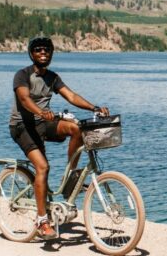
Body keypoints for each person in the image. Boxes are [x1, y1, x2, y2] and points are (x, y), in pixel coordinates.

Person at [9, 35, 110, 239]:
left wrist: (95, 107)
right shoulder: (22, 75)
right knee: (43, 167)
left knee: (76, 129)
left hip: (43, 123)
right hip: (22, 126)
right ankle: (41, 220)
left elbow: (71, 96)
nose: (43, 53)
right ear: (31, 54)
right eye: (38, 50)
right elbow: (24, 99)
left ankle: (71, 175)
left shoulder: (53, 78)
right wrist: (39, 111)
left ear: (51, 54)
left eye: (47, 50)